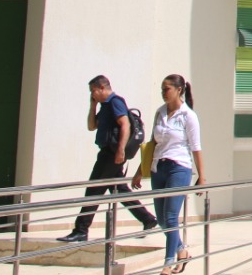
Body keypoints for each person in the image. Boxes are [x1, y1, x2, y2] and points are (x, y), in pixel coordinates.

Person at [59, 75, 158, 242]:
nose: (92, 94)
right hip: (107, 152)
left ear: (102, 88)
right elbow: (91, 126)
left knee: (94, 189)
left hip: (111, 154)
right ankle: (147, 218)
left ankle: (81, 230)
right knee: (118, 189)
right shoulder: (105, 106)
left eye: (93, 91)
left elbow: (125, 125)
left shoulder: (115, 102)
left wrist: (120, 150)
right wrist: (93, 106)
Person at [133, 74, 204, 275]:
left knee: (171, 217)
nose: (163, 93)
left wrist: (202, 176)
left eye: (167, 89)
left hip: (179, 168)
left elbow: (196, 147)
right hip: (159, 168)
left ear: (178, 90)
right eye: (162, 89)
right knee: (162, 220)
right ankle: (182, 251)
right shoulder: (160, 112)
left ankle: (168, 263)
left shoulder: (188, 115)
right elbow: (152, 143)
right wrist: (140, 171)